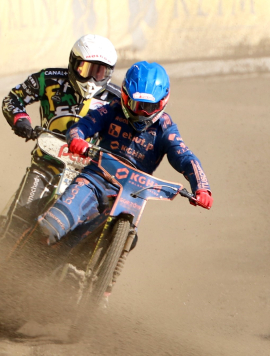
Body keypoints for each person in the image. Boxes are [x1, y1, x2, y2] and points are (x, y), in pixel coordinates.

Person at [36, 61, 212, 245]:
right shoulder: (112, 109)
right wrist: (77, 139)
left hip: (133, 195)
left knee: (130, 239)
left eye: (149, 107)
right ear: (125, 96)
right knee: (52, 225)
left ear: (163, 102)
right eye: (136, 105)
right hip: (95, 179)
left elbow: (185, 157)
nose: (142, 113)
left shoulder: (165, 127)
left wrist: (201, 187)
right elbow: (82, 126)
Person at [0, 34, 119, 239]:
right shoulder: (48, 78)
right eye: (86, 69)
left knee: (98, 225)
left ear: (109, 73)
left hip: (87, 177)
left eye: (99, 72)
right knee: (17, 224)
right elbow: (13, 98)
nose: (91, 79)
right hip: (45, 165)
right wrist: (21, 121)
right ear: (73, 64)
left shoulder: (116, 99)